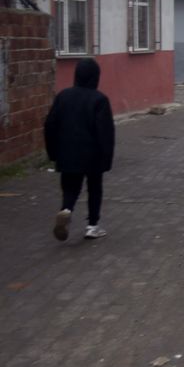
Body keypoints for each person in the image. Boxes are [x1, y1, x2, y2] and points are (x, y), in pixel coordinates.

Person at [44, 58, 115, 241]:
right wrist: (106, 158)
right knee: (94, 188)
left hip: (67, 152)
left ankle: (66, 210)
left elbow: (50, 125)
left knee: (70, 187)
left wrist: (53, 152)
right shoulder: (99, 99)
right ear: (95, 77)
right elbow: (105, 132)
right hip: (92, 155)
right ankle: (92, 226)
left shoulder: (63, 96)